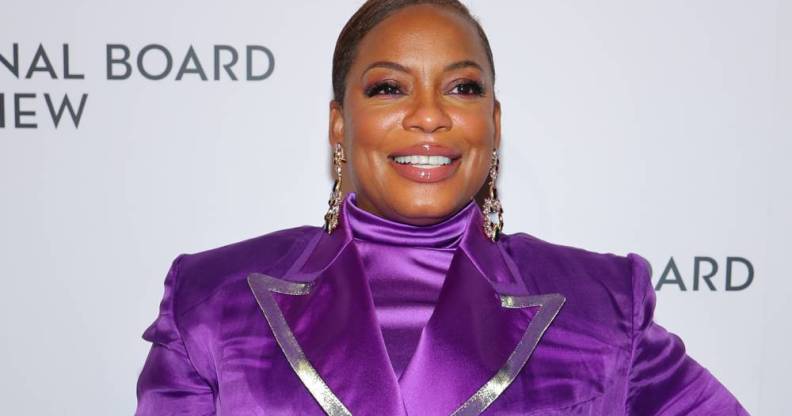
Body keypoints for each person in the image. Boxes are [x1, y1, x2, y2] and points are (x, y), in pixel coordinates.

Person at [135, 1, 749, 414]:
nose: (429, 114)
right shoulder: (214, 301)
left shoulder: (604, 305)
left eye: (462, 88)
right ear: (337, 126)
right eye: (388, 88)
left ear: (493, 121)